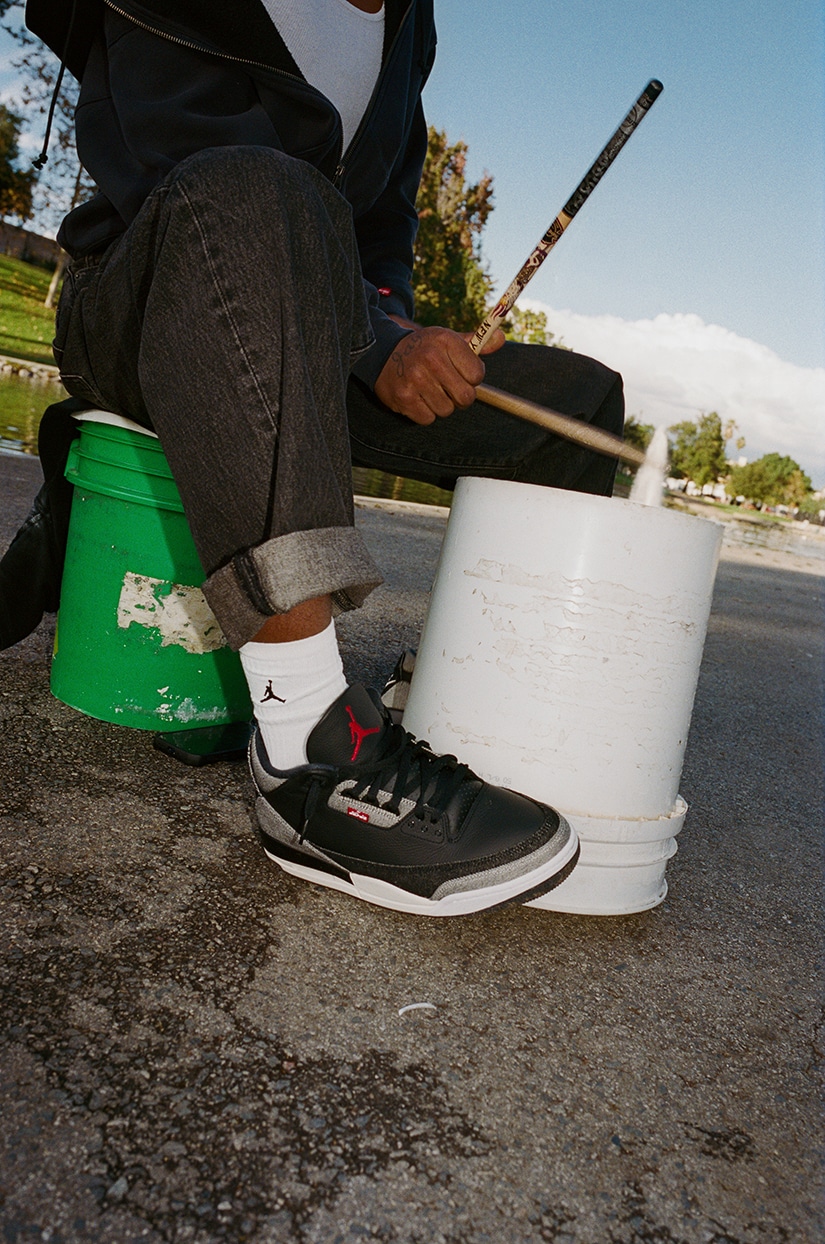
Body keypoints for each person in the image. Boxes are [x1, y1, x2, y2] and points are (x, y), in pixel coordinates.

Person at [7, 0, 626, 916]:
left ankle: (449, 699)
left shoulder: (405, 24)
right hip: (143, 297)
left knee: (576, 401)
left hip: (314, 327)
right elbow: (175, 166)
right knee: (267, 190)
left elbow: (379, 233)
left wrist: (401, 329)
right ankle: (306, 748)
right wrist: (378, 347)